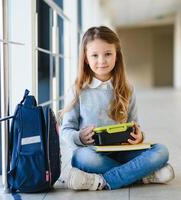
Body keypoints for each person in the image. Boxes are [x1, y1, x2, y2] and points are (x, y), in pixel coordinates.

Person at [60, 26, 175, 190]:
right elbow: (65, 131)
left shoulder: (127, 89)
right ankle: (142, 176)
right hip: (93, 153)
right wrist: (79, 137)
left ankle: (100, 181)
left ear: (116, 56)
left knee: (161, 151)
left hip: (123, 153)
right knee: (82, 158)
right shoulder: (77, 90)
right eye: (94, 55)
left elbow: (134, 125)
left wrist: (139, 136)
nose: (102, 61)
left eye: (108, 54)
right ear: (85, 58)